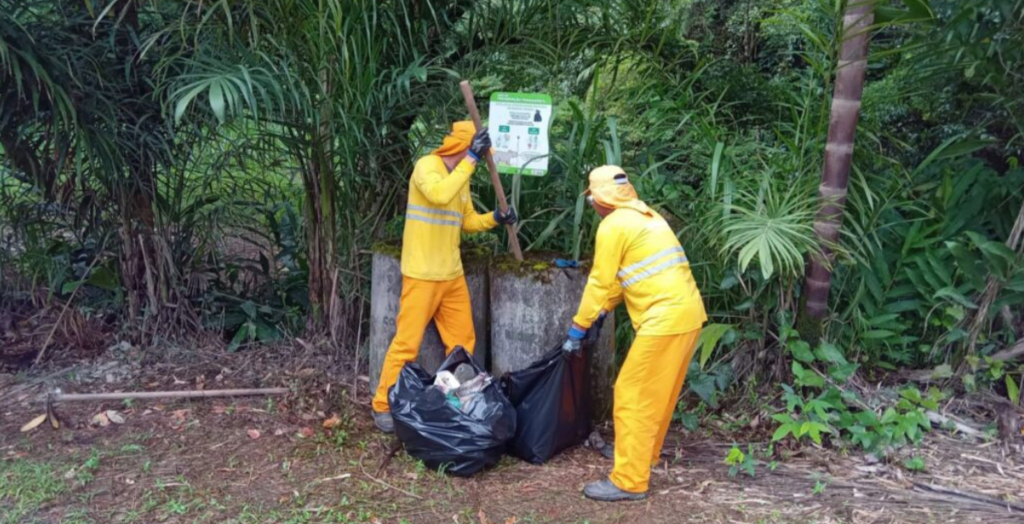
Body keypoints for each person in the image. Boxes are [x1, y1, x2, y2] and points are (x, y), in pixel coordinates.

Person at [564, 165, 707, 502]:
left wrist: (578, 326)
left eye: (592, 199)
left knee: (631, 393)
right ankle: (641, 456)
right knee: (657, 396)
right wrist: (603, 309)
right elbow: (629, 277)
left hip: (664, 319)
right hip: (687, 314)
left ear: (600, 199)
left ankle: (629, 480)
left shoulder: (613, 225)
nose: (593, 206)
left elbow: (600, 280)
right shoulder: (646, 217)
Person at [372, 121, 517, 433]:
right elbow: (439, 195)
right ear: (465, 148)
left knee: (463, 345)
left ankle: (456, 402)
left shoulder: (461, 178)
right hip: (422, 274)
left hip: (451, 275)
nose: (479, 161)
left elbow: (466, 221)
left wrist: (495, 218)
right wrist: (471, 160)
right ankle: (382, 404)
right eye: (478, 153)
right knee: (406, 344)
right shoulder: (427, 166)